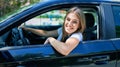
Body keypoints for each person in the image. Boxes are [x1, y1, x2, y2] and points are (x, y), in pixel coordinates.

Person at [21, 7, 86, 56]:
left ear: (79, 25)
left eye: (74, 22)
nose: (69, 24)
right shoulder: (62, 30)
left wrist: (51, 39)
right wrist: (28, 29)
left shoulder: (77, 35)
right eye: (68, 19)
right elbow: (45, 33)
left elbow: (65, 50)